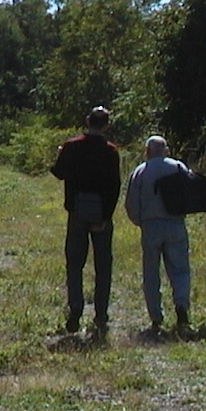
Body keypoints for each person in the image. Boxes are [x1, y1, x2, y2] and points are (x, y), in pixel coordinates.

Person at [50, 106, 122, 335]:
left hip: (77, 212)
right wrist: (106, 216)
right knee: (103, 266)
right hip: (101, 213)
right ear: (106, 125)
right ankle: (101, 313)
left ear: (87, 121)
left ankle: (75, 309)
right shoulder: (110, 151)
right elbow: (115, 187)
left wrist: (60, 152)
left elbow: (58, 172)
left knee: (75, 263)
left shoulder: (72, 146)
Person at [125, 135, 193, 337]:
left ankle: (156, 316)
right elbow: (191, 192)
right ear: (165, 150)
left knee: (151, 273)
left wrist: (140, 221)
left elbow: (131, 203)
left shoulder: (141, 171)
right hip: (175, 224)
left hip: (151, 226)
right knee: (180, 269)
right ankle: (181, 306)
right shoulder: (178, 167)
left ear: (147, 151)